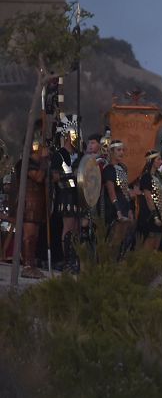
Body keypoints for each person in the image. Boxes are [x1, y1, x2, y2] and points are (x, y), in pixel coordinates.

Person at [51, 113, 84, 271]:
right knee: (69, 227)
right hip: (66, 195)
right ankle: (67, 260)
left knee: (77, 228)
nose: (76, 136)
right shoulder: (59, 155)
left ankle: (75, 259)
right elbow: (55, 177)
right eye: (73, 133)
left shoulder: (80, 154)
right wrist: (72, 174)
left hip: (79, 195)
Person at [10, 137, 48, 277]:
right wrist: (44, 160)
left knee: (34, 237)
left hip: (38, 205)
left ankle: (31, 264)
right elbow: (38, 177)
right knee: (29, 236)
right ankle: (27, 266)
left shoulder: (39, 163)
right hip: (28, 204)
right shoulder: (25, 163)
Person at [101, 139, 134, 257]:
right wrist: (118, 210)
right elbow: (111, 191)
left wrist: (129, 209)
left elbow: (125, 191)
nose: (121, 152)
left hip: (124, 207)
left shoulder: (123, 168)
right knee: (114, 240)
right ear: (111, 152)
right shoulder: (108, 169)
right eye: (118, 150)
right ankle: (109, 267)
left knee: (123, 240)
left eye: (122, 150)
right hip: (114, 209)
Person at [137, 151, 162, 250]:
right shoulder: (146, 177)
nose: (160, 161)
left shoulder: (158, 176)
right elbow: (148, 197)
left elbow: (161, 198)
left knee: (157, 241)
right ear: (151, 161)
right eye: (158, 159)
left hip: (160, 213)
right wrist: (155, 216)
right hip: (149, 213)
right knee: (150, 239)